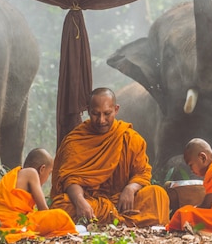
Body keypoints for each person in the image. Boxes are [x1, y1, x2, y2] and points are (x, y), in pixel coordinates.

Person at [50, 87, 169, 226]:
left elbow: (142, 172)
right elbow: (69, 179)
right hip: (90, 203)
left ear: (116, 109)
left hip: (122, 203)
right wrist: (80, 202)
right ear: (88, 110)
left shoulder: (128, 137)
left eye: (107, 113)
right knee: (62, 205)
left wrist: (130, 188)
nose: (101, 120)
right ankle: (125, 222)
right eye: (95, 114)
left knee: (157, 195)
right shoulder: (76, 140)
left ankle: (107, 221)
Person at [0, 148, 77, 243]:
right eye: (49, 173)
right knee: (60, 215)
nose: (47, 178)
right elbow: (43, 209)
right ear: (42, 169)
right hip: (11, 221)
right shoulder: (32, 173)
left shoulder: (15, 174)